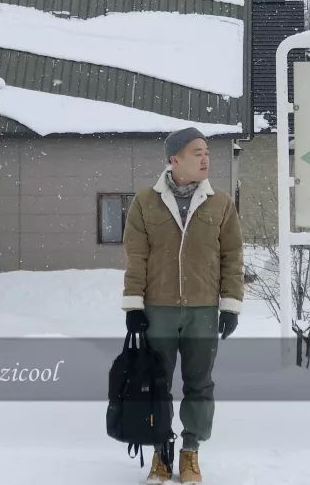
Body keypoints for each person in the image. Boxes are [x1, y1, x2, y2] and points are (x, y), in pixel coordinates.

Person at [121, 127, 244, 484]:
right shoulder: (146, 201)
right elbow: (136, 255)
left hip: (203, 311)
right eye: (196, 152)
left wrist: (230, 305)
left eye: (207, 152)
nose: (205, 158)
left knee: (200, 384)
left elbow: (232, 255)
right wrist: (133, 306)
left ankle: (191, 451)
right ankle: (160, 453)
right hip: (158, 309)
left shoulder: (220, 202)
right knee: (155, 385)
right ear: (174, 159)